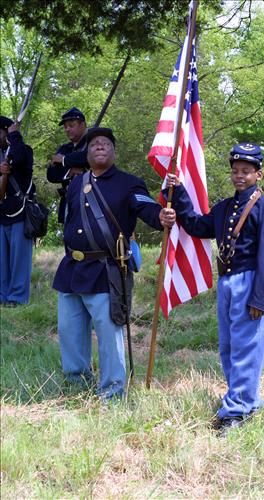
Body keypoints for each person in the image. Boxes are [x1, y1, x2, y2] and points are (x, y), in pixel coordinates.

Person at [166, 142, 264, 434]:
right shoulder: (225, 208)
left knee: (247, 347)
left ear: (259, 174)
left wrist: (259, 296)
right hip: (227, 282)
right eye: (235, 171)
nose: (240, 176)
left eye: (246, 171)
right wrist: (178, 191)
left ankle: (235, 410)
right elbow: (196, 225)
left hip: (251, 280)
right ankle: (247, 400)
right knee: (229, 347)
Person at [52, 127, 176, 400]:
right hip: (71, 269)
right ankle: (76, 388)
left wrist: (162, 216)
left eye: (105, 143)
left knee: (109, 338)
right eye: (94, 143)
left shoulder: (128, 183)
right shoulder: (75, 184)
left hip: (105, 271)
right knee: (70, 333)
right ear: (86, 152)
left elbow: (148, 210)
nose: (99, 146)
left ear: (113, 151)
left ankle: (112, 393)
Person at [0, 116, 34, 306]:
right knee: (2, 261)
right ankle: (2, 296)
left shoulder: (22, 149)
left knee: (19, 261)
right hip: (1, 213)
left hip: (20, 212)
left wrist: (15, 136)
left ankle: (17, 298)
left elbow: (20, 157)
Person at [47, 107, 89, 223]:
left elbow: (88, 157)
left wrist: (64, 160)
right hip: (69, 201)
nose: (67, 129)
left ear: (82, 124)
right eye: (65, 127)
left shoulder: (93, 142)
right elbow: (52, 174)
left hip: (90, 199)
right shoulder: (65, 148)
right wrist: (69, 172)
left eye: (71, 125)